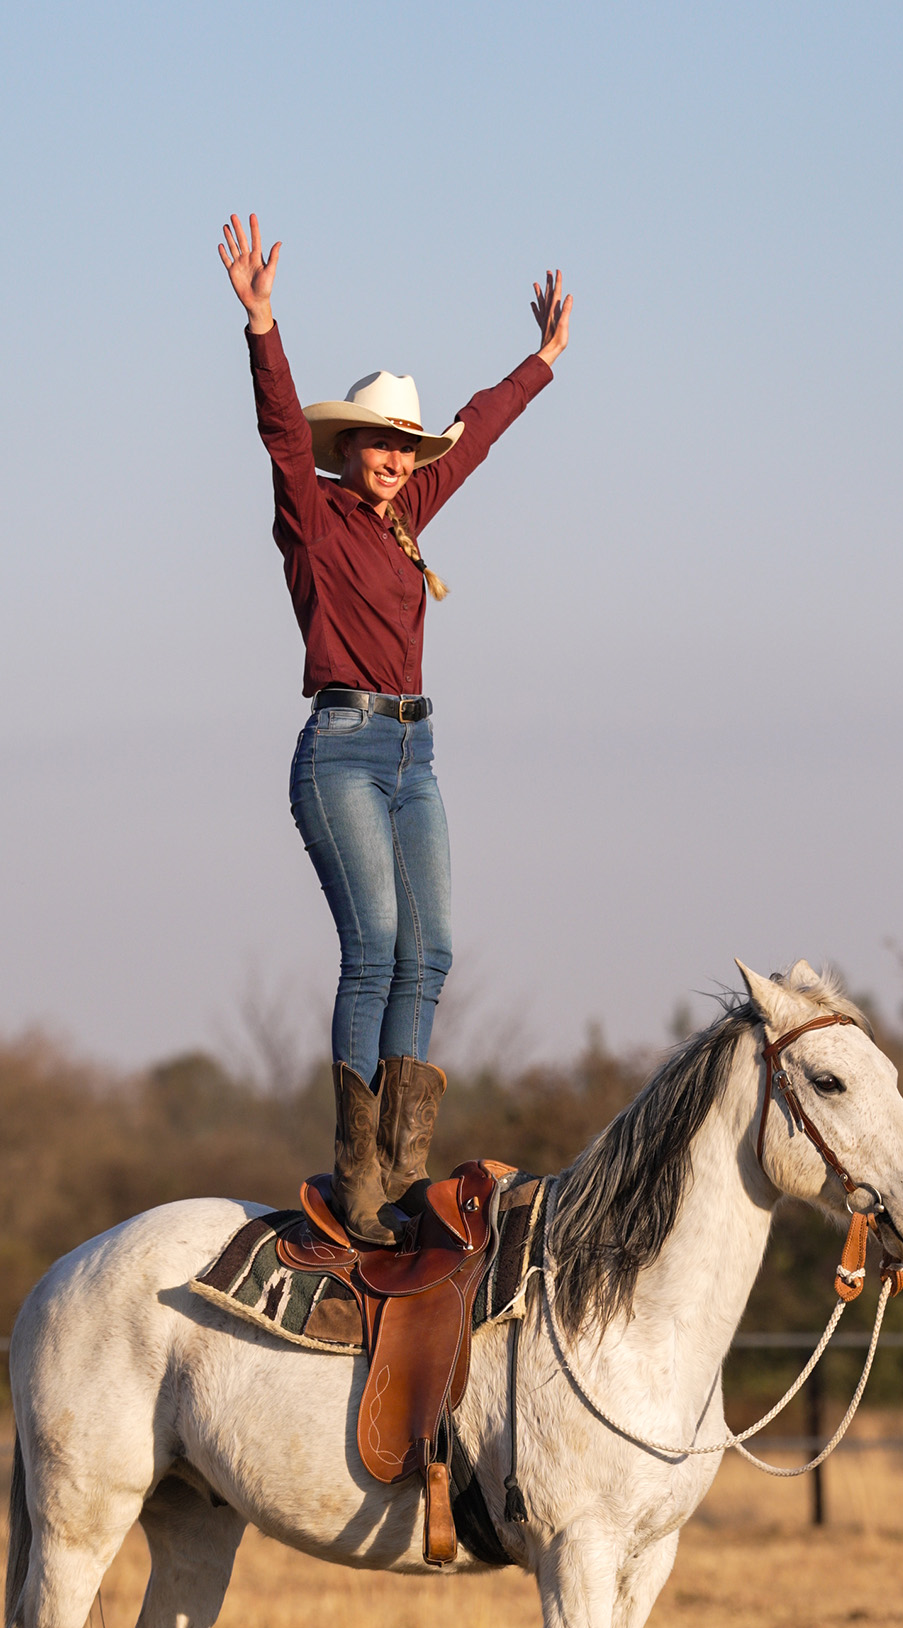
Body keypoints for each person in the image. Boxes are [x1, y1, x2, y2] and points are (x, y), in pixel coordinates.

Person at [219, 212, 571, 1243]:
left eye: (400, 446)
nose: (390, 457)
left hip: (417, 753)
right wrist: (262, 326)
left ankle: (409, 1165)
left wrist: (542, 360)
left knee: (433, 951)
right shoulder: (314, 517)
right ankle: (357, 1168)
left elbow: (477, 426)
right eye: (376, 442)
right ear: (350, 447)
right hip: (341, 746)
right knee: (374, 943)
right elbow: (281, 430)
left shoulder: (411, 513)